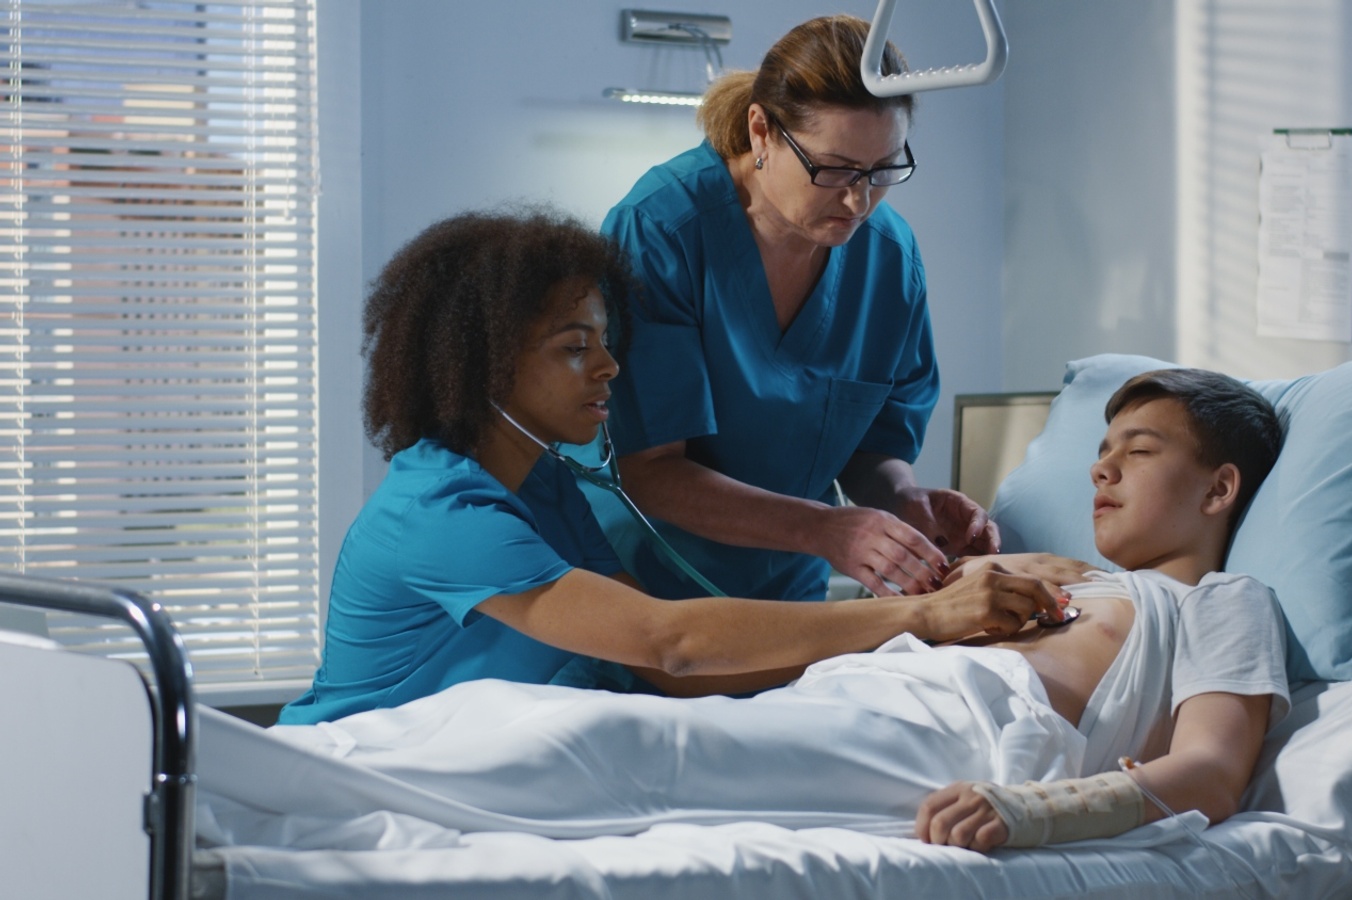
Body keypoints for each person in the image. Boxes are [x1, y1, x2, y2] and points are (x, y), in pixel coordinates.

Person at [256, 365, 1289, 853]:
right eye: (1099, 453)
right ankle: (233, 785)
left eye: (1139, 454)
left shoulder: (1218, 602)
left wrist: (1033, 810)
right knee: (533, 724)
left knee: (604, 746)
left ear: (1219, 490)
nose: (1102, 472)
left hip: (950, 735)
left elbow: (1210, 773)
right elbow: (888, 618)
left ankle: (236, 807)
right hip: (847, 691)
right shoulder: (1043, 558)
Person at [276, 208, 1064, 726]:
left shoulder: (546, 483)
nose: (611, 367)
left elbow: (665, 672)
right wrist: (917, 618)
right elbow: (668, 641)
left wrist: (886, 663)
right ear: (486, 369)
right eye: (574, 348)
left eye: (604, 341)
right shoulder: (440, 511)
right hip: (361, 772)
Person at [600, 15, 1005, 603]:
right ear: (761, 130)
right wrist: (825, 528)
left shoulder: (888, 257)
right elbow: (649, 468)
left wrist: (901, 503)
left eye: (883, 169)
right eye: (834, 168)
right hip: (647, 583)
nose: (858, 199)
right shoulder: (662, 230)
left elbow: (873, 447)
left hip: (791, 594)